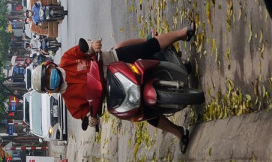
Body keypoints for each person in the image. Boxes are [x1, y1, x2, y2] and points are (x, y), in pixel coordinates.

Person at [30, 22, 196, 153]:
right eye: (47, 81)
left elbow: (83, 48)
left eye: (48, 73)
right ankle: (179, 133)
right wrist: (92, 120)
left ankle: (181, 33)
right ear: (49, 90)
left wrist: (91, 46)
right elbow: (86, 115)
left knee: (146, 48)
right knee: (144, 113)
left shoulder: (66, 60)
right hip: (114, 94)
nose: (50, 77)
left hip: (113, 63)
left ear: (50, 66)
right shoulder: (71, 105)